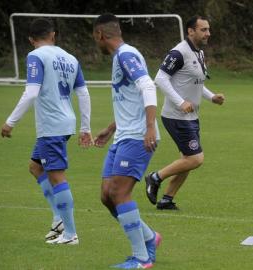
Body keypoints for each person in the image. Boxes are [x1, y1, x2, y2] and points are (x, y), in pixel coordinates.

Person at [0, 18, 92, 244]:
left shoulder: (36, 56)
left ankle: (70, 234)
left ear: (31, 40)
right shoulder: (71, 58)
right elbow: (83, 93)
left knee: (56, 175)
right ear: (53, 35)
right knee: (35, 166)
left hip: (51, 126)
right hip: (65, 123)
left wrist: (11, 121)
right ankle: (58, 218)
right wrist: (85, 127)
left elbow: (31, 92)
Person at [92, 13, 161, 269]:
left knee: (119, 193)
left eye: (94, 38)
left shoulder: (126, 55)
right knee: (107, 196)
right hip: (123, 135)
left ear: (100, 34)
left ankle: (142, 259)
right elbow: (130, 98)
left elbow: (148, 86)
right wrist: (111, 128)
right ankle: (149, 237)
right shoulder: (120, 57)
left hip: (137, 136)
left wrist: (150, 127)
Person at [144, 15, 225, 210]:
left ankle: (166, 200)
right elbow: (160, 79)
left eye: (208, 29)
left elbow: (197, 84)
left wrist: (212, 97)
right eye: (203, 30)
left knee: (187, 160)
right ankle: (155, 178)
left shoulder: (199, 53)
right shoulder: (178, 53)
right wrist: (180, 102)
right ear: (190, 31)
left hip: (191, 116)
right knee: (195, 158)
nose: (208, 33)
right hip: (176, 116)